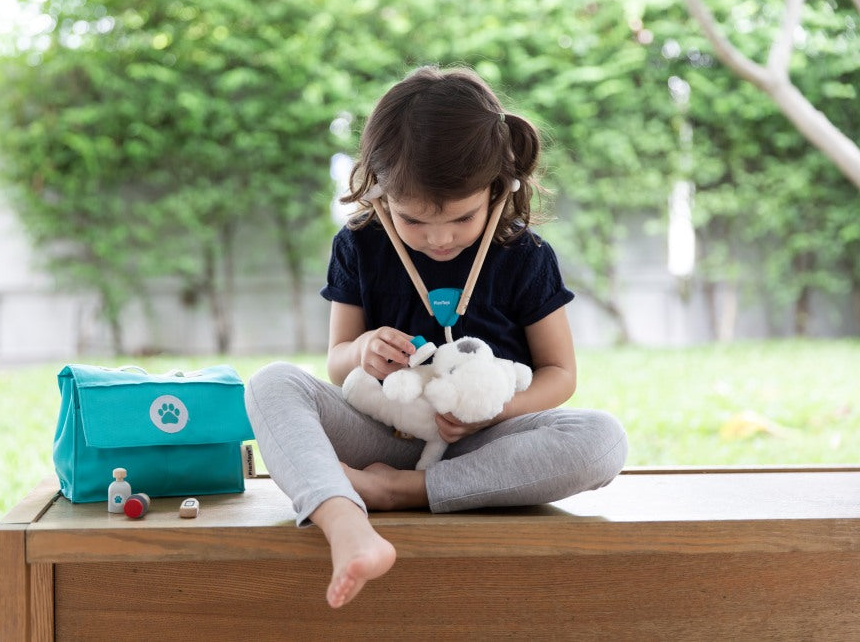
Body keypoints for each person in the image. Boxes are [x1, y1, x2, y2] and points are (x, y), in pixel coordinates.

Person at [244, 65, 628, 609]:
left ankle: (397, 493)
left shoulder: (525, 256)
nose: (440, 238)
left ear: (500, 189)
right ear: (378, 195)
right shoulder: (359, 245)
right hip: (382, 434)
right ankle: (343, 518)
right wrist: (363, 352)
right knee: (271, 383)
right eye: (414, 221)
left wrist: (495, 412)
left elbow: (560, 375)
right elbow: (336, 363)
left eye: (462, 218)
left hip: (483, 449)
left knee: (603, 439)